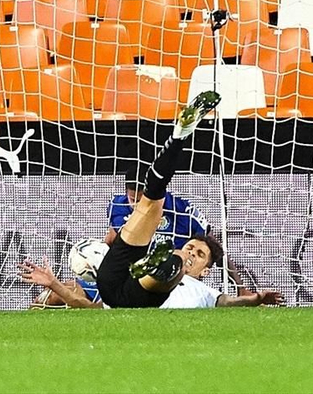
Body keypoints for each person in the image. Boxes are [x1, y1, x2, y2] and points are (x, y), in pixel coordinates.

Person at [21, 92, 283, 309]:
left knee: (171, 257)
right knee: (151, 202)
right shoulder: (194, 282)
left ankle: (155, 266)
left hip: (132, 294)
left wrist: (252, 299)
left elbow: (226, 303)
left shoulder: (202, 292)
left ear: (206, 271)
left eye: (199, 254)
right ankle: (180, 134)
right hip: (119, 277)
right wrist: (53, 283)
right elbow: (90, 302)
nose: (193, 251)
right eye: (192, 247)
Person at [105, 164, 212, 250]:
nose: (139, 206)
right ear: (126, 193)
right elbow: (110, 240)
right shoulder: (117, 206)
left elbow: (210, 242)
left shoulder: (183, 209)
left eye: (144, 200)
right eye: (134, 200)